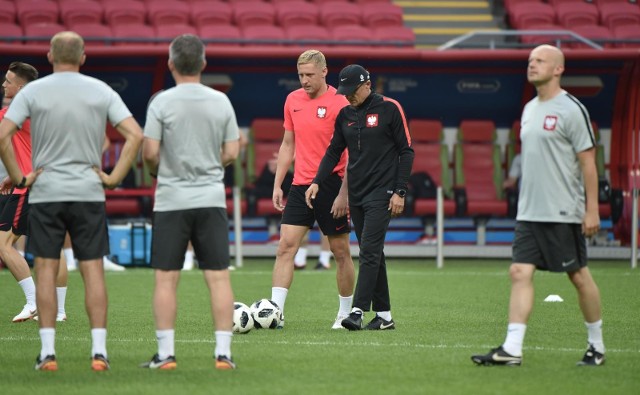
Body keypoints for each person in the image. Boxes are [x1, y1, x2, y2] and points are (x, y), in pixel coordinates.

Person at [0, 31, 143, 371]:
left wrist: (20, 177)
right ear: (83, 58)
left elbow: (3, 135)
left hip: (46, 192)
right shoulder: (100, 90)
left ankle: (48, 353)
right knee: (93, 272)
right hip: (87, 193)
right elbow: (134, 135)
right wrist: (113, 177)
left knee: (45, 270)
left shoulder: (32, 91)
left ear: (50, 57)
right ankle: (98, 352)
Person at [471, 44, 605, 367]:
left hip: (563, 210)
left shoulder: (572, 109)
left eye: (540, 60)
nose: (532, 65)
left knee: (578, 276)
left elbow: (588, 163)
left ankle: (596, 346)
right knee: (519, 272)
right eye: (530, 60)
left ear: (558, 68)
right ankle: (512, 349)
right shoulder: (530, 108)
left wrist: (592, 209)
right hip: (529, 212)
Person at [141, 34, 240, 370]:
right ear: (203, 64)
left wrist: (160, 171)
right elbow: (232, 151)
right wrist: (212, 165)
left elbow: (150, 153)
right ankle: (223, 355)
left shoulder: (161, 103)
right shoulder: (220, 101)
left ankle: (166, 355)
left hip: (171, 199)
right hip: (210, 198)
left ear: (171, 64)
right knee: (219, 277)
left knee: (167, 279)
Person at [305, 64, 414, 331]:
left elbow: (406, 151)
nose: (348, 96)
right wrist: (317, 181)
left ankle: (356, 311)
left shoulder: (390, 108)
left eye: (352, 91)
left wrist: (400, 191)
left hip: (383, 192)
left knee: (368, 251)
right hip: (357, 193)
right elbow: (333, 152)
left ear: (367, 85)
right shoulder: (344, 115)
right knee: (374, 252)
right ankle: (385, 317)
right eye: (344, 92)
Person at [270, 49, 355, 330]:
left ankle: (344, 315)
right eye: (300, 75)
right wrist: (279, 183)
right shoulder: (292, 100)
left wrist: (344, 192)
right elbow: (287, 144)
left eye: (309, 75)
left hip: (331, 183)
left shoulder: (341, 102)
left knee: (340, 251)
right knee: (285, 248)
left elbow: (354, 150)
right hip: (300, 184)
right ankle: (275, 314)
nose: (304, 80)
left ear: (324, 72)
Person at [0, 62, 40, 322]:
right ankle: (48, 308)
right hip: (23, 183)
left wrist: (18, 176)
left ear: (21, 87)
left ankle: (34, 303)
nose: (4, 84)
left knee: (4, 245)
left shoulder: (17, 111)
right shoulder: (35, 109)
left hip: (27, 186)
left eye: (8, 80)